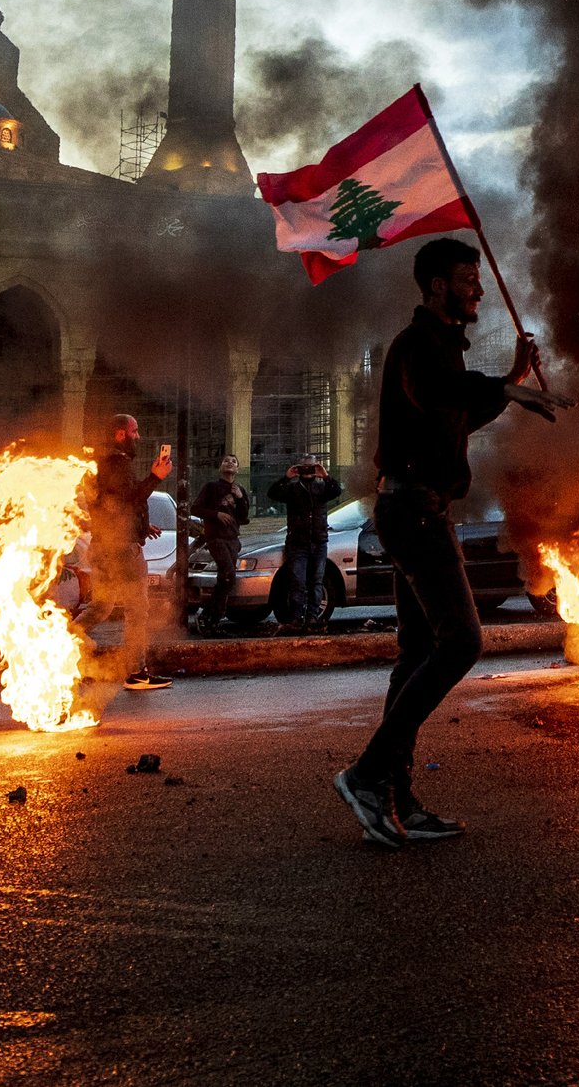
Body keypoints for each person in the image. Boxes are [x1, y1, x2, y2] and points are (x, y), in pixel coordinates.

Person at [332, 236, 541, 850]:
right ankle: (368, 774)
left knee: (418, 652)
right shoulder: (419, 346)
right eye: (465, 278)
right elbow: (442, 395)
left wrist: (508, 383)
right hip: (414, 511)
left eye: (478, 277)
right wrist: (501, 386)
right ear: (435, 287)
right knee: (462, 642)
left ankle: (395, 796)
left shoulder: (441, 350)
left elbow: (458, 415)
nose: (477, 288)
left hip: (418, 508)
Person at [96, 414, 175, 689]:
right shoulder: (116, 463)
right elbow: (130, 499)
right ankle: (137, 672)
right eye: (135, 431)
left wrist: (142, 527)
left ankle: (58, 644)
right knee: (137, 610)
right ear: (121, 434)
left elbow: (116, 505)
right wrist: (156, 476)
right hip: (122, 547)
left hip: (109, 543)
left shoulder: (106, 461)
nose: (138, 437)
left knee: (100, 607)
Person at [270, 457, 344, 631]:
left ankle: (312, 618)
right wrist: (286, 477)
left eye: (311, 466)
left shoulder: (322, 487)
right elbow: (272, 493)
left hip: (319, 541)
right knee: (298, 581)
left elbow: (337, 490)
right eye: (305, 467)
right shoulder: (293, 488)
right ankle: (296, 618)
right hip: (298, 542)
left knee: (317, 581)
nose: (308, 471)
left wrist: (325, 476)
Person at [192, 455, 252, 631]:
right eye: (226, 461)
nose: (230, 463)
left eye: (234, 461)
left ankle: (211, 618)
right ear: (220, 467)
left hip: (232, 538)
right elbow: (195, 508)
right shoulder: (211, 487)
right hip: (216, 537)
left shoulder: (239, 489)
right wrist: (216, 514)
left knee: (226, 579)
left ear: (238, 469)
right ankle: (212, 614)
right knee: (228, 574)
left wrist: (240, 498)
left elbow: (243, 516)